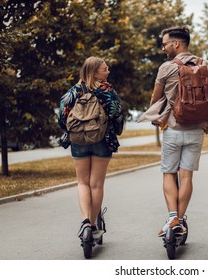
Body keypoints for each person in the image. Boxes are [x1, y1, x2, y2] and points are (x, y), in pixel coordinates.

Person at [139, 26, 208, 237]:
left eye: (165, 43)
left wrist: (159, 111)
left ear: (176, 43)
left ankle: (172, 216)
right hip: (197, 131)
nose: (163, 48)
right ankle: (180, 221)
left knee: (168, 173)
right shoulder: (206, 65)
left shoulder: (166, 68)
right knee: (186, 177)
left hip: (173, 129)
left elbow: (154, 100)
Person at [58, 56, 124, 240]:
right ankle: (93, 226)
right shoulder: (107, 91)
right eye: (105, 68)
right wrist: (115, 131)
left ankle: (85, 222)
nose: (108, 70)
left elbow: (62, 116)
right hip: (102, 141)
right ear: (95, 72)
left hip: (79, 141)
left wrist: (72, 131)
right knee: (96, 184)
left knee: (82, 182)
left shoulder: (73, 92)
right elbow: (117, 113)